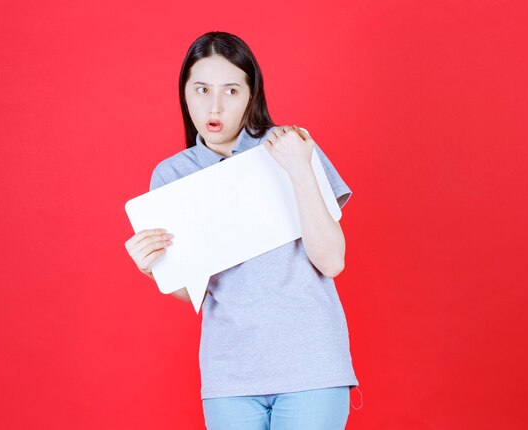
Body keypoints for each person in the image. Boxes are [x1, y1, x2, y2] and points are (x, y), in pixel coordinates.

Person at [124, 31, 360, 429]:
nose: (214, 105)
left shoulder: (290, 145)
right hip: (230, 372)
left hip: (312, 363)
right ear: (185, 94)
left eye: (231, 91)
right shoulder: (171, 176)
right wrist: (154, 268)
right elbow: (192, 289)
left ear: (252, 95)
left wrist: (299, 167)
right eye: (201, 89)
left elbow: (331, 260)